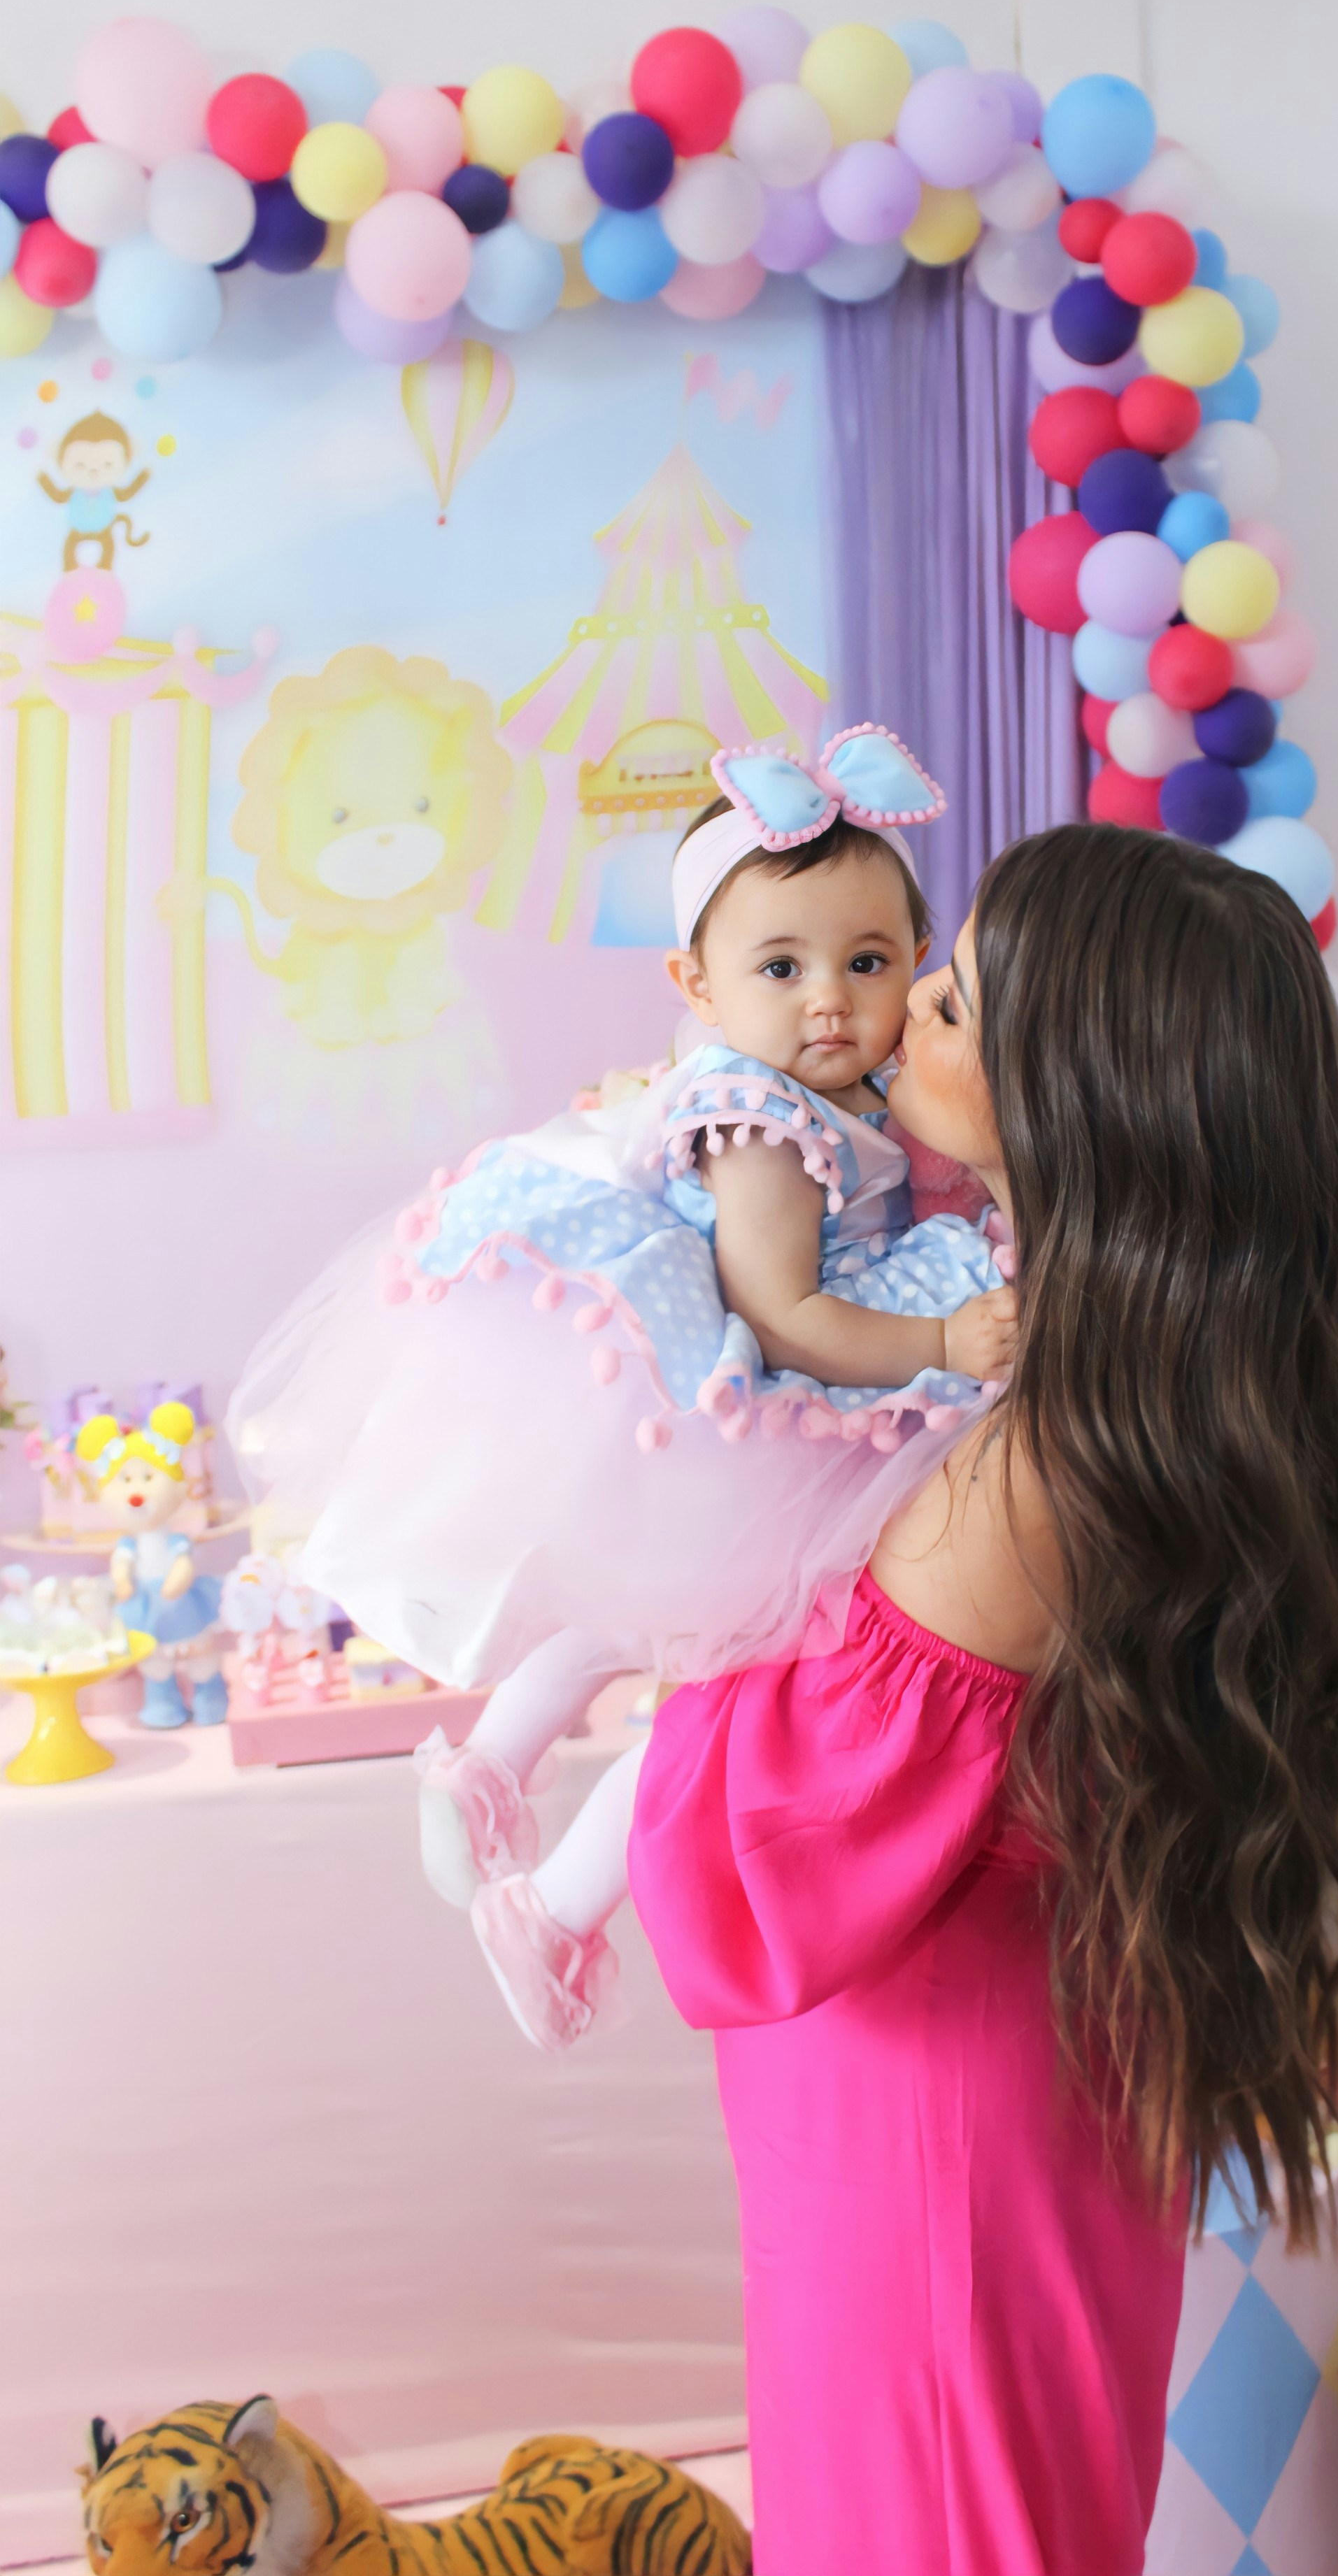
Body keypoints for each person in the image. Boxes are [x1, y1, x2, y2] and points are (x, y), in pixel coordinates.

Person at [629, 820, 1338, 2576]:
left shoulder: (1033, 1460)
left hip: (930, 2123)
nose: (895, 1012)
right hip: (1034, 2054)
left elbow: (758, 1868)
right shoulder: (1152, 1374)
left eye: (951, 999)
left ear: (1076, 1093)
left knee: (941, 2518)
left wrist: (669, 1594)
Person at [229, 726, 1016, 2048]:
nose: (830, 1001)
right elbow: (783, 1316)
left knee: (646, 1630)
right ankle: (547, 1898)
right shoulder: (764, 1124)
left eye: (870, 964)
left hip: (763, 1411)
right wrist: (940, 1341)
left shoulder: (825, 1085)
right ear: (696, 983)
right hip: (764, 1410)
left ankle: (492, 1770)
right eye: (782, 968)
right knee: (724, 1676)